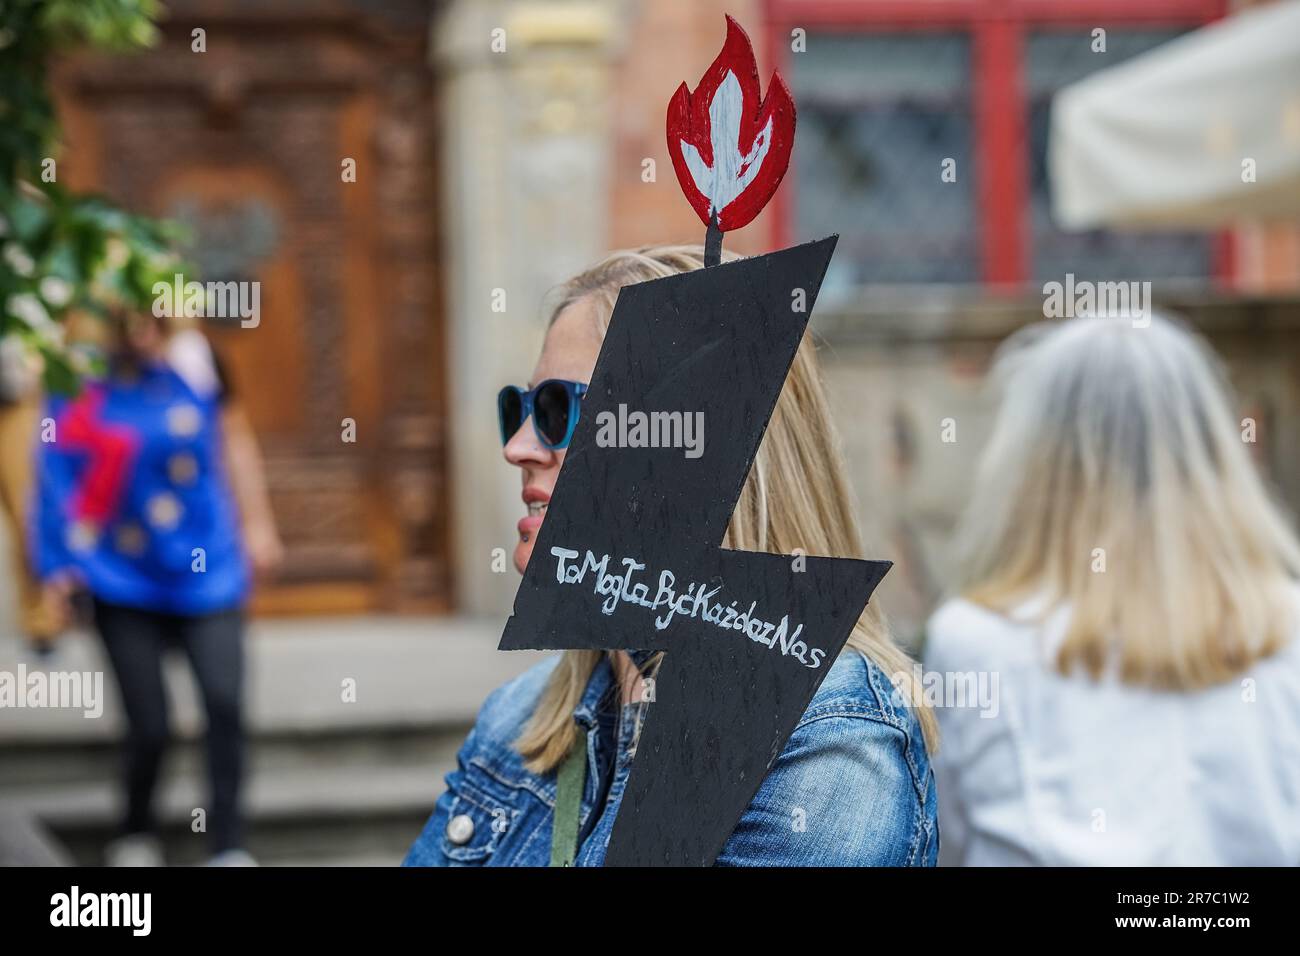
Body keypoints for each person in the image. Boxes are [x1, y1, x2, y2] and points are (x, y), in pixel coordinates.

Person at [404, 246, 939, 867]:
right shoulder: (521, 717)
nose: (519, 446)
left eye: (557, 411)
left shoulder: (824, 742)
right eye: (517, 410)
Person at [926, 312, 1300, 866]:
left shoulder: (975, 641)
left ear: (1031, 463)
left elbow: (941, 846)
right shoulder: (1286, 627)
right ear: (1214, 447)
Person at [31, 307, 283, 866]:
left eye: (150, 318)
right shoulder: (80, 380)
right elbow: (53, 471)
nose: (139, 330)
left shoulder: (199, 366)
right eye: (125, 319)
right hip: (120, 573)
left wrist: (259, 524)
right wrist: (57, 566)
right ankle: (136, 831)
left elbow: (234, 443)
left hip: (207, 565)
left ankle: (229, 846)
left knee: (224, 701)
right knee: (150, 721)